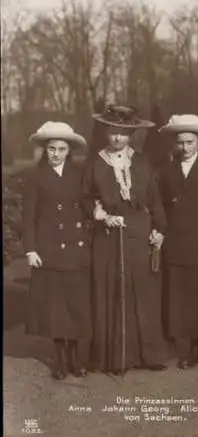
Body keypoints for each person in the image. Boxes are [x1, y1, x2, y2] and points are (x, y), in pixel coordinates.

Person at [82, 105, 167, 374]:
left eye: (124, 133)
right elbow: (84, 197)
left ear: (132, 134)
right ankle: (115, 358)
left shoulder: (142, 161)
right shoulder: (95, 163)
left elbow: (154, 199)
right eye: (113, 132)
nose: (118, 138)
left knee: (143, 290)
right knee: (112, 289)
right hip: (108, 234)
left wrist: (160, 229)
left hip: (139, 232)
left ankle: (149, 355)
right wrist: (101, 215)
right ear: (106, 132)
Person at [23, 122, 91, 380]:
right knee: (57, 310)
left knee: (76, 307)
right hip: (50, 250)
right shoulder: (35, 176)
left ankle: (76, 359)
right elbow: (28, 216)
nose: (56, 154)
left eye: (61, 149)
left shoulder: (79, 172)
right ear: (45, 149)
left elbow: (87, 204)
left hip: (77, 248)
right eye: (51, 148)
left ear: (69, 150)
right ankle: (61, 360)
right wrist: (30, 248)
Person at [158, 115, 198, 370]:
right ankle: (190, 349)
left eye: (190, 142)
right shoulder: (167, 171)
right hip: (178, 241)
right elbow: (160, 204)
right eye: (181, 142)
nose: (185, 148)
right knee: (183, 297)